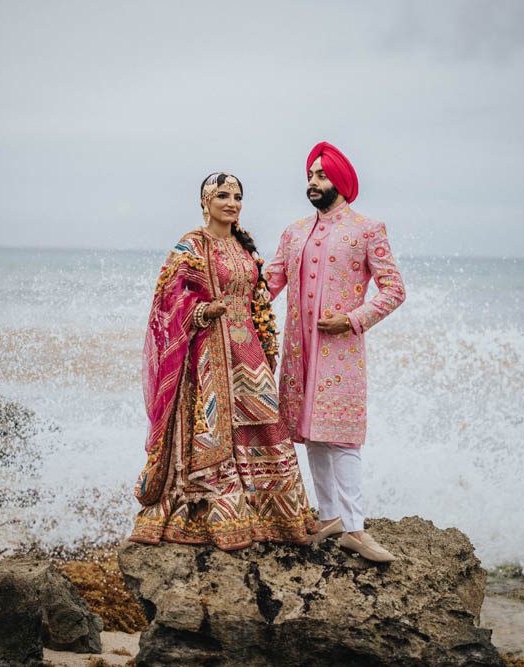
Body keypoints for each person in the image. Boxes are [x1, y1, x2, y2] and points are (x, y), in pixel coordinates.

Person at [129, 172, 316, 550]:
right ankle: (221, 514)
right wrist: (199, 312)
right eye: (223, 195)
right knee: (218, 428)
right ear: (205, 202)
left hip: (249, 352)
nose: (232, 203)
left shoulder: (244, 247)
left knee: (264, 420)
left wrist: (267, 341)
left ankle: (272, 513)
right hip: (209, 354)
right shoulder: (191, 245)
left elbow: (258, 299)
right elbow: (165, 301)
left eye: (237, 196)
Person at [265, 142, 406, 562]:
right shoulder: (293, 232)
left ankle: (355, 529)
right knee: (312, 437)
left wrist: (353, 319)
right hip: (298, 352)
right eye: (310, 175)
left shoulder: (367, 229)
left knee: (342, 440)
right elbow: (268, 283)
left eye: (322, 176)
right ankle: (329, 517)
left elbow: (395, 290)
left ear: (341, 182)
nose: (313, 182)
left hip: (340, 353)